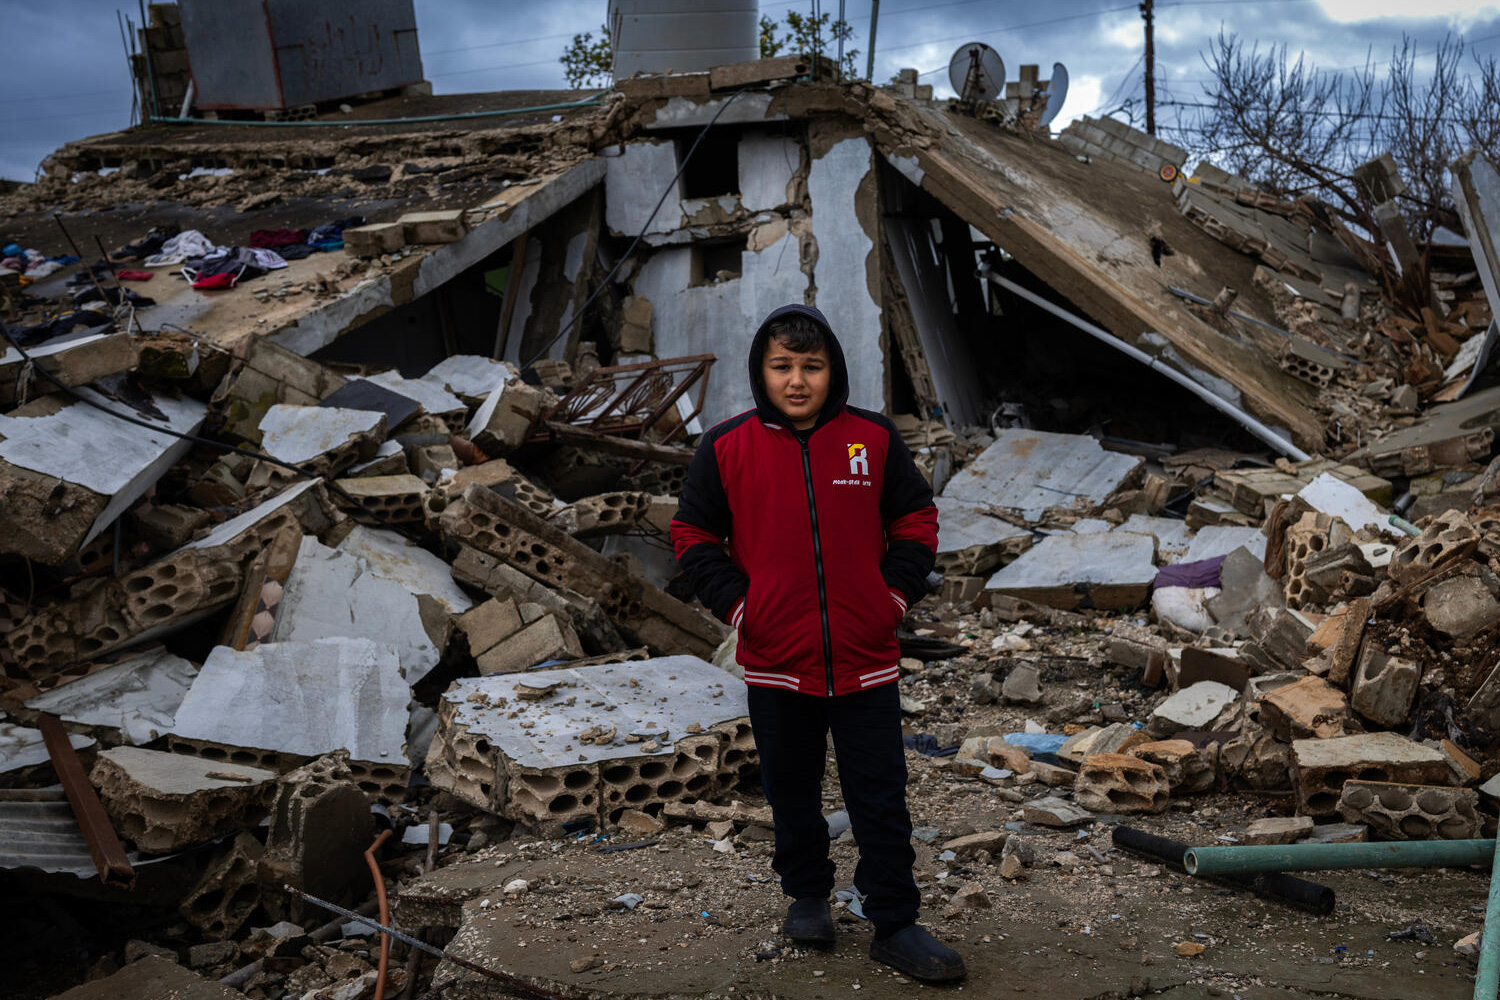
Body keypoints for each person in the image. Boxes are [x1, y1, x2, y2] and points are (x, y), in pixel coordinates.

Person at [670, 304, 966, 983]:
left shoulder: (872, 439)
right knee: (791, 790)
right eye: (782, 367)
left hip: (866, 660)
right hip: (778, 660)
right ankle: (807, 896)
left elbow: (916, 520)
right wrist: (742, 609)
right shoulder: (726, 446)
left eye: (811, 366)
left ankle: (894, 921)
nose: (797, 381)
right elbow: (691, 534)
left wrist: (889, 600)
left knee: (880, 795)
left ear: (831, 369)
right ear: (762, 371)